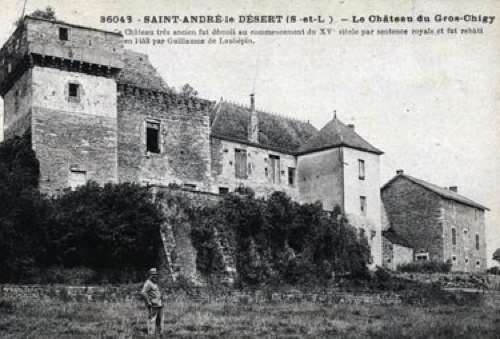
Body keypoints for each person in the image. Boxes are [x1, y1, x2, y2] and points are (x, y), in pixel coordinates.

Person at [141, 268, 164, 335]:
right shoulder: (148, 283)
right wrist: (148, 301)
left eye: (155, 274)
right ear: (149, 275)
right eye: (153, 274)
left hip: (159, 303)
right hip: (153, 304)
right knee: (152, 319)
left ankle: (159, 333)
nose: (154, 276)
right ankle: (151, 334)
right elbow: (143, 292)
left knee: (159, 319)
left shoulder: (155, 283)